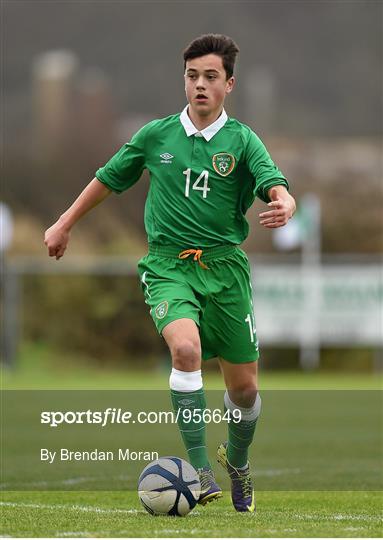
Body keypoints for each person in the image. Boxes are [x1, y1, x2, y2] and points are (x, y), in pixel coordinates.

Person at [44, 34, 296, 513]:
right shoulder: (155, 135)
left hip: (225, 270)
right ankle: (200, 470)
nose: (199, 85)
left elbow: (275, 185)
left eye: (210, 77)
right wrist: (63, 223)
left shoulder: (242, 141)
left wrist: (285, 203)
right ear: (184, 80)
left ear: (229, 84)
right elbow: (107, 178)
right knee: (185, 349)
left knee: (244, 391)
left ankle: (237, 460)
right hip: (167, 266)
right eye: (192, 76)